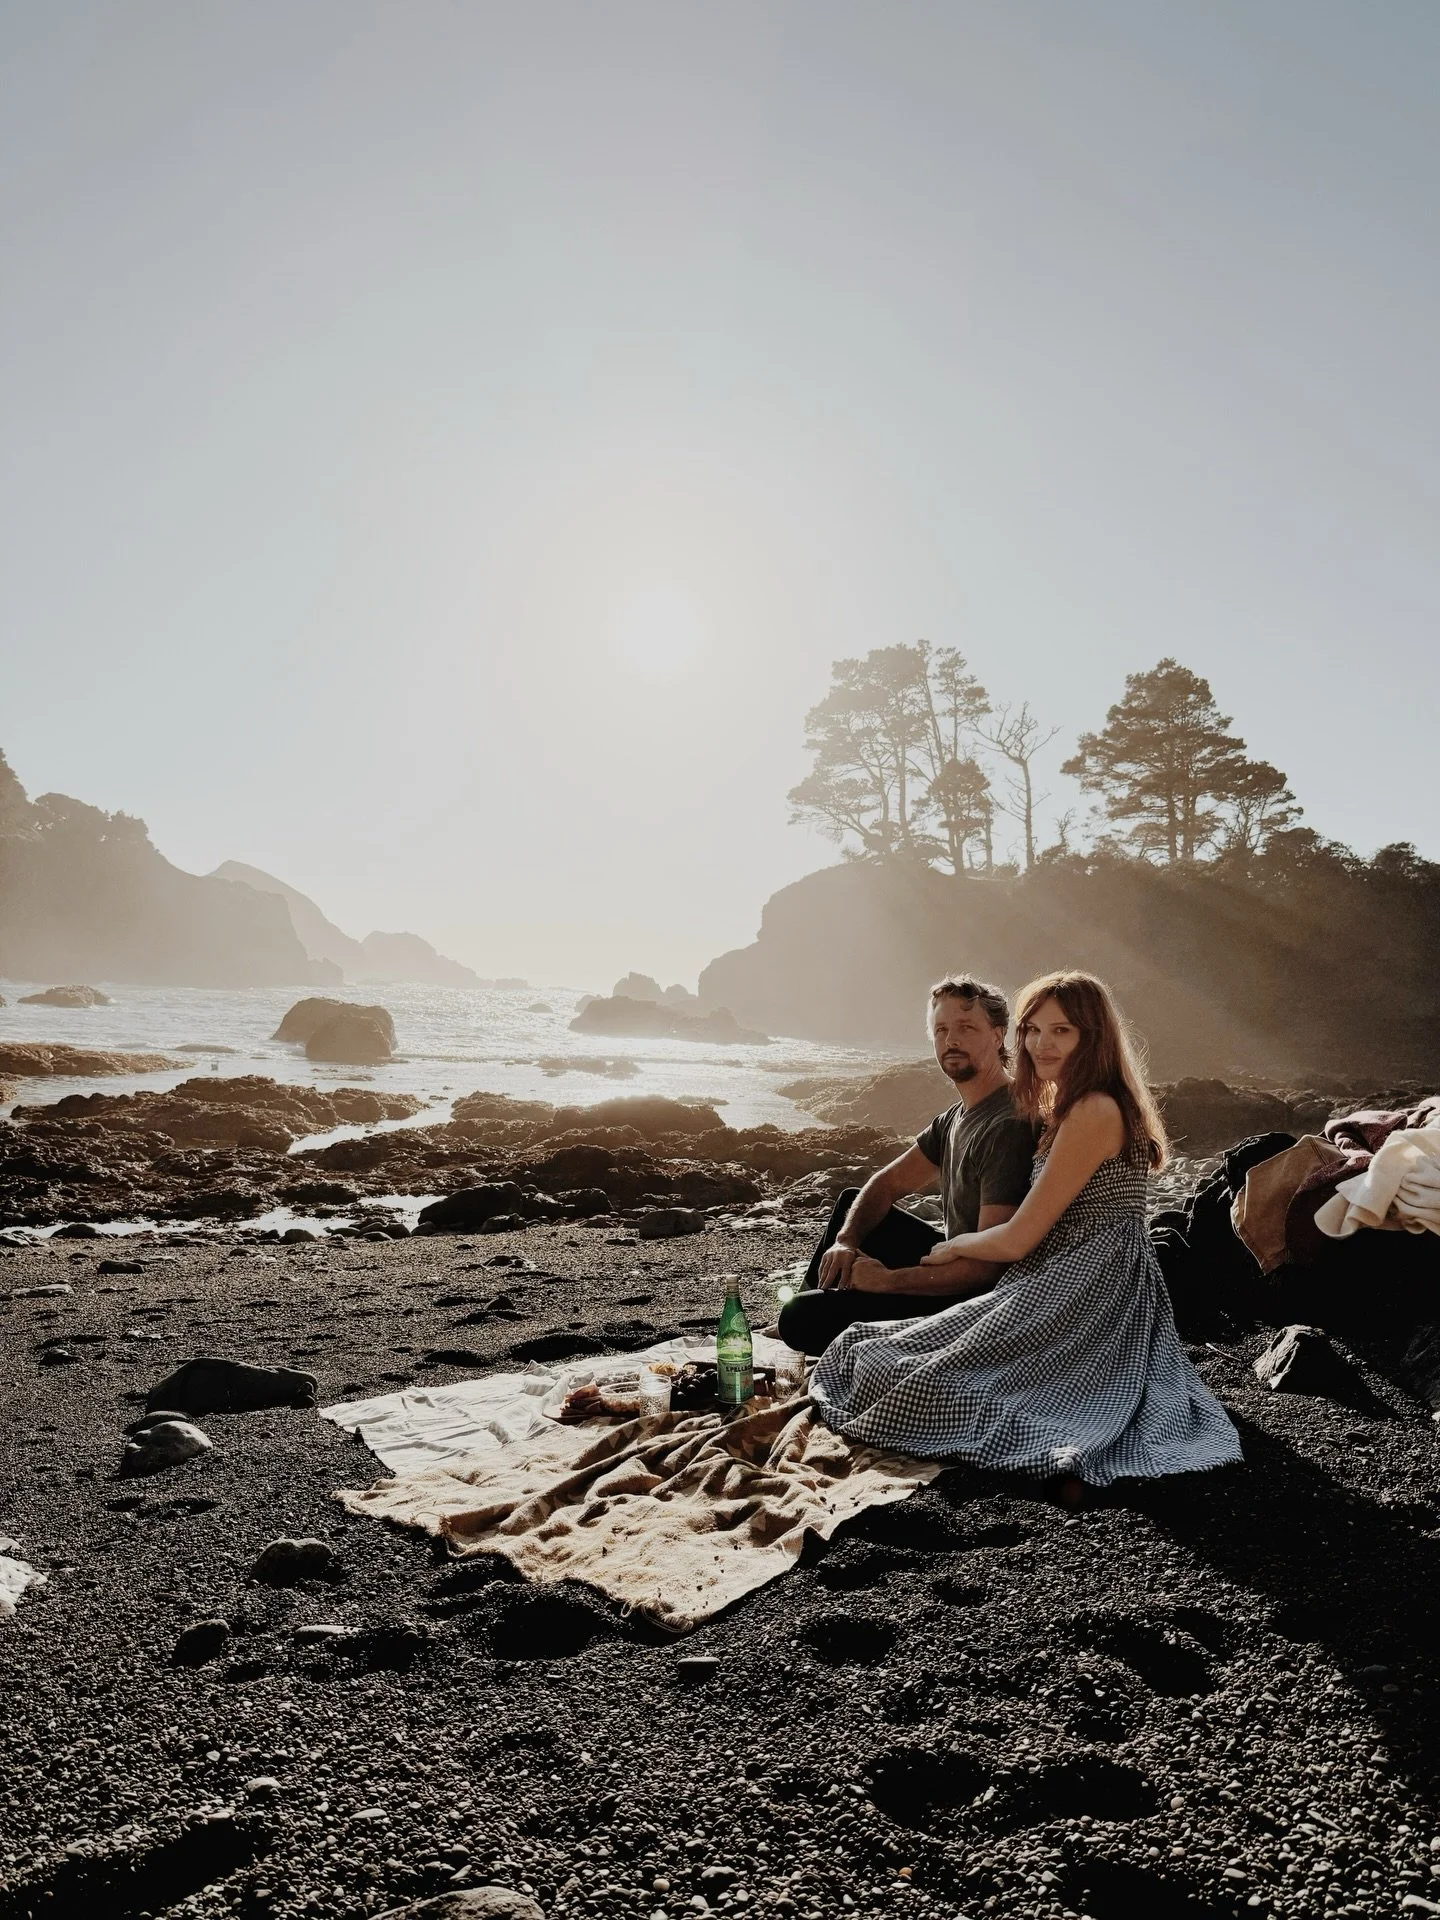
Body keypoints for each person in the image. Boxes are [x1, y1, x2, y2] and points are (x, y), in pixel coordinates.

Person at [808, 970, 1242, 1491]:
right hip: (1064, 1267)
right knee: (877, 1352)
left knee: (889, 1364)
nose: (1041, 1043)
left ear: (1093, 1035)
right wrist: (855, 1241)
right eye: (1034, 1030)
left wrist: (951, 1247)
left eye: (1061, 1030)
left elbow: (1016, 1239)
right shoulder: (1069, 1105)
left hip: (1086, 1278)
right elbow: (893, 1188)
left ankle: (1057, 1453)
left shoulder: (1093, 1110)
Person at [777, 974, 1038, 1357]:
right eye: (941, 1029)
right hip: (951, 1262)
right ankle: (821, 1294)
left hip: (973, 1301)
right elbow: (885, 1185)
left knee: (798, 1318)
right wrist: (846, 1243)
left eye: (967, 1028)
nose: (951, 1040)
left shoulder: (1008, 1125)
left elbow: (987, 1269)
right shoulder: (955, 1118)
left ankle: (811, 1312)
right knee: (854, 1203)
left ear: (999, 1035)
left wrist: (888, 1281)